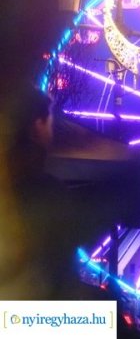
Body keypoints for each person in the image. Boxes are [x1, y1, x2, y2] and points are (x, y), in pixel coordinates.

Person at [7, 88, 80, 299]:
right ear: (38, 125)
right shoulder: (48, 192)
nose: (52, 132)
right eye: (50, 123)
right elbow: (60, 266)